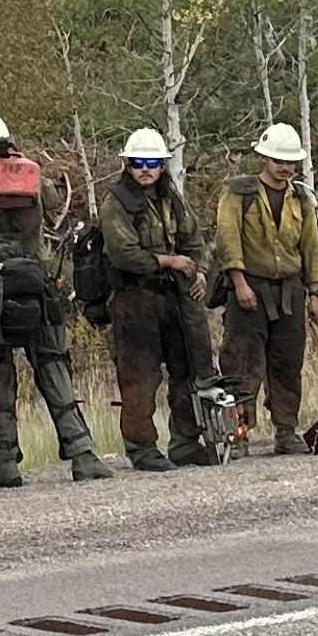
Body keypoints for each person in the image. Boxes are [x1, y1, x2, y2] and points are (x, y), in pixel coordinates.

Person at [0, 113, 107, 485]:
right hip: (36, 288)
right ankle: (83, 456)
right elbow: (54, 205)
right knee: (53, 367)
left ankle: (5, 464)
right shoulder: (33, 180)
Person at [97, 128, 220, 471]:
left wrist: (200, 272)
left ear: (162, 166)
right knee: (140, 375)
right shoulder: (116, 202)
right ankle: (142, 449)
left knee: (187, 369)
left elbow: (194, 241)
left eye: (151, 163)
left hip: (175, 298)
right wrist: (169, 261)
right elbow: (123, 254)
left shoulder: (172, 198)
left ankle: (185, 442)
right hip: (134, 299)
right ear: (127, 165)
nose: (145, 169)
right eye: (138, 163)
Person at [216, 125, 318, 454]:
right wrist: (239, 283)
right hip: (250, 286)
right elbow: (228, 238)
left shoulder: (302, 198)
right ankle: (238, 434)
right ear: (265, 158)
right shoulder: (238, 193)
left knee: (287, 362)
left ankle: (286, 430)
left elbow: (311, 247)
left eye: (290, 162)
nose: (285, 168)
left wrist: (314, 294)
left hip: (289, 289)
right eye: (279, 161)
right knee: (242, 363)